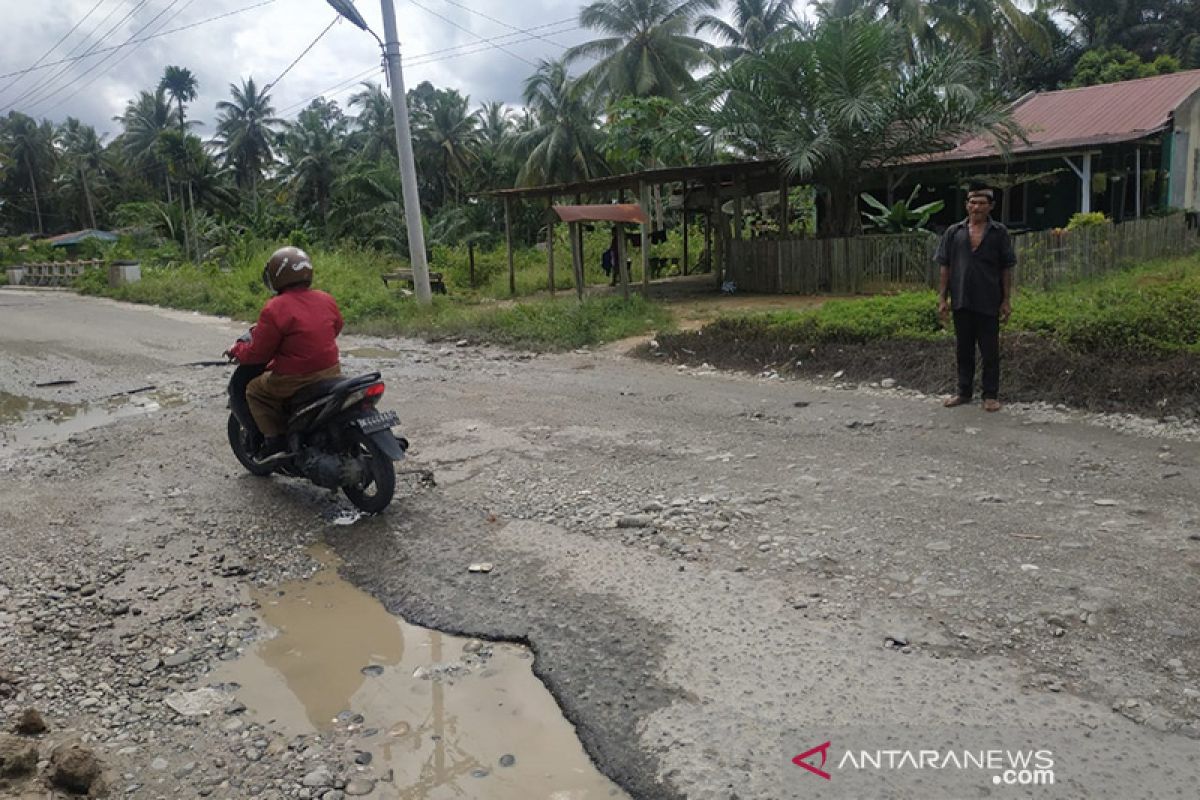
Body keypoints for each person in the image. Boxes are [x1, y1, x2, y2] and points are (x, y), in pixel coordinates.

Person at [226, 246, 344, 460]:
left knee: (254, 390)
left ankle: (274, 440)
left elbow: (259, 353)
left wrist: (238, 351)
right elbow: (336, 328)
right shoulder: (325, 298)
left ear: (276, 276)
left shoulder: (275, 308)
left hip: (294, 380)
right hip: (331, 372)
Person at [935, 187, 1016, 412]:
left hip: (989, 300)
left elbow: (1006, 268)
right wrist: (942, 298)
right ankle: (963, 392)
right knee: (964, 349)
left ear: (991, 206)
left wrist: (1006, 300)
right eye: (973, 202)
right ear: (966, 205)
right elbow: (945, 266)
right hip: (961, 299)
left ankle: (990, 395)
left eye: (982, 203)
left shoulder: (999, 233)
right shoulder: (954, 232)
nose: (977, 207)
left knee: (990, 350)